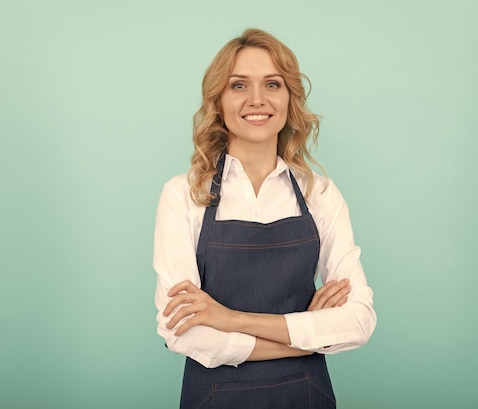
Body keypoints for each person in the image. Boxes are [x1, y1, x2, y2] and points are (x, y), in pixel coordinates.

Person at [153, 28, 377, 409]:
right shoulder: (184, 194)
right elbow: (182, 333)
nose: (257, 99)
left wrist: (230, 318)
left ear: (290, 98)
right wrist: (305, 335)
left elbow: (357, 322)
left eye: (272, 84)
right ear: (218, 102)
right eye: (238, 85)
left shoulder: (319, 194)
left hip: (307, 396)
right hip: (214, 399)